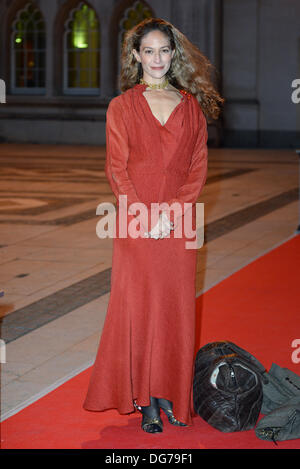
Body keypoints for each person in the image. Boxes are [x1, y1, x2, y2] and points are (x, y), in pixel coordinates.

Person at [83, 17, 224, 434]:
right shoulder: (121, 107)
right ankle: (145, 400)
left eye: (165, 50)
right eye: (149, 51)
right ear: (136, 56)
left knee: (175, 309)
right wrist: (144, 215)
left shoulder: (190, 106)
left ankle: (170, 394)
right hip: (135, 223)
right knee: (141, 308)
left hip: (179, 225)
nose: (157, 58)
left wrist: (174, 213)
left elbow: (197, 170)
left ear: (173, 54)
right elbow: (117, 169)